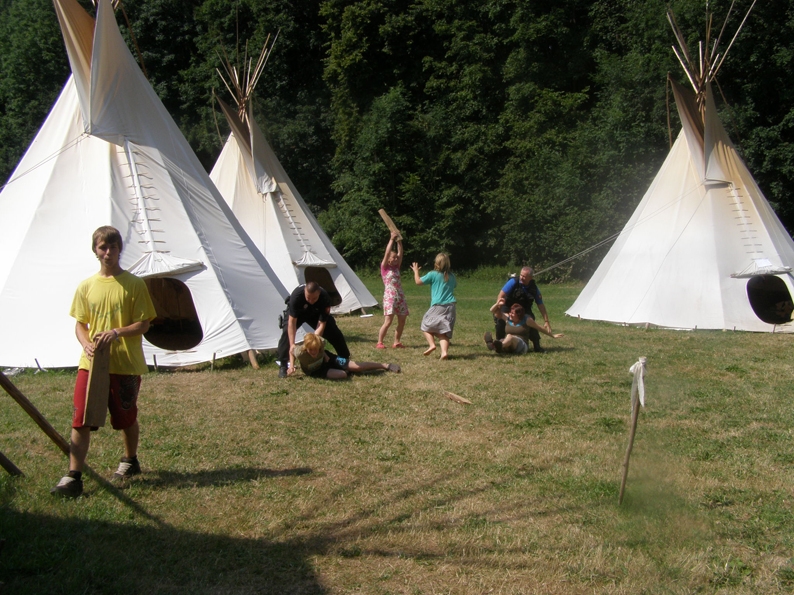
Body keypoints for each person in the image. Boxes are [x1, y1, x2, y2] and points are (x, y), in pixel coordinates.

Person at [51, 226, 157, 498]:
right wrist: (85, 342)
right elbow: (80, 324)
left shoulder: (134, 285)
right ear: (95, 250)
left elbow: (144, 323)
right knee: (81, 419)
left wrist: (117, 332)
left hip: (125, 364)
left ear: (120, 249)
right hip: (91, 364)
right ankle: (74, 475)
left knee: (125, 417)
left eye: (112, 247)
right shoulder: (86, 286)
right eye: (102, 247)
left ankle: (130, 459)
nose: (107, 252)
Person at [277, 281, 350, 378]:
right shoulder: (296, 296)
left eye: (314, 298)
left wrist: (315, 341)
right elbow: (292, 322)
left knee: (333, 330)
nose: (311, 301)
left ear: (319, 293)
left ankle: (344, 358)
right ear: (304, 292)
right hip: (299, 313)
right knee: (286, 332)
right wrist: (292, 345)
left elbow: (322, 323)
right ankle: (283, 365)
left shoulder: (325, 298)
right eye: (308, 298)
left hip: (315, 314)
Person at [293, 333, 401, 379]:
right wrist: (290, 366)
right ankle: (345, 370)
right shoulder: (300, 352)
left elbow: (321, 346)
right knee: (343, 375)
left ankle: (385, 365)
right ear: (306, 348)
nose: (313, 352)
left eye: (316, 349)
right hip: (316, 370)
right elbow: (291, 350)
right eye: (310, 350)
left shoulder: (321, 342)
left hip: (328, 359)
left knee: (357, 367)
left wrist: (325, 355)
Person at [495, 266, 551, 352]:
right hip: (508, 305)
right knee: (500, 321)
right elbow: (501, 295)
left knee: (530, 320)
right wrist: (499, 308)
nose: (521, 277)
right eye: (521, 275)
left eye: (524, 276)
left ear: (530, 277)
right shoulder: (513, 282)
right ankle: (499, 343)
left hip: (523, 308)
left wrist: (546, 321)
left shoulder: (534, 288)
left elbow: (540, 304)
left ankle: (537, 346)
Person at [411, 253, 457, 360]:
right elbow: (454, 285)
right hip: (451, 306)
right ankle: (444, 352)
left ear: (436, 263)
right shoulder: (452, 276)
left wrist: (416, 271)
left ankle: (432, 345)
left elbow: (418, 282)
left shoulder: (433, 274)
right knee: (443, 331)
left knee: (425, 325)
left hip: (438, 305)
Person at [485, 299, 563, 354]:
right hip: (509, 343)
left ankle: (498, 346)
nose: (510, 314)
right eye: (510, 312)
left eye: (512, 313)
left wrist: (552, 336)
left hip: (522, 346)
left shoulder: (527, 320)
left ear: (518, 315)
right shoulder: (508, 318)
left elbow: (539, 328)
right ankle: (495, 345)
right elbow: (492, 310)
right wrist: (497, 304)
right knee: (503, 340)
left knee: (509, 337)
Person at [377, 231, 409, 349]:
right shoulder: (384, 268)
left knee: (402, 320)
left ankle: (396, 341)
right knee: (388, 321)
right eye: (393, 257)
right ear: (388, 260)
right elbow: (386, 253)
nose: (396, 259)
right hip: (390, 297)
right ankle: (380, 342)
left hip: (400, 296)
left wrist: (399, 241)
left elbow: (401, 253)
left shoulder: (396, 267)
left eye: (396, 257)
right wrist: (391, 240)